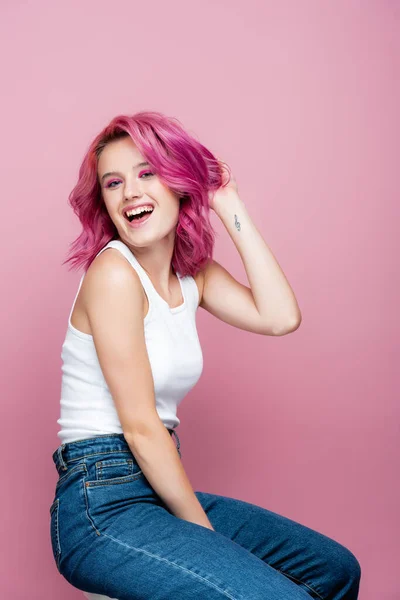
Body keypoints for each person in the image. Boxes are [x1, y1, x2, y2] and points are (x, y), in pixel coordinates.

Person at [49, 110, 361, 599]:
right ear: (105, 203)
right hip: (101, 504)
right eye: (114, 183)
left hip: (155, 489)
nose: (130, 191)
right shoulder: (113, 274)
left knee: (335, 571)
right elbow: (141, 426)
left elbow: (280, 317)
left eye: (147, 172)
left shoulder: (194, 276)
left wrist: (227, 202)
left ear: (179, 184)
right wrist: (205, 536)